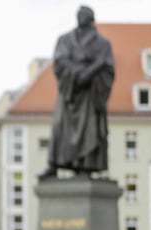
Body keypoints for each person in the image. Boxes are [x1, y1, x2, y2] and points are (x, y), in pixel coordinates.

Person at [40, 5, 115, 178]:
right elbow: (59, 61)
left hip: (90, 94)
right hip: (69, 91)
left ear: (90, 19)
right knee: (60, 126)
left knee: (89, 130)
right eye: (78, 15)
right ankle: (55, 163)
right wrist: (77, 74)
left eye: (83, 15)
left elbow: (108, 68)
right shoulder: (65, 39)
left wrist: (90, 76)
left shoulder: (102, 43)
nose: (79, 18)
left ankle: (85, 166)